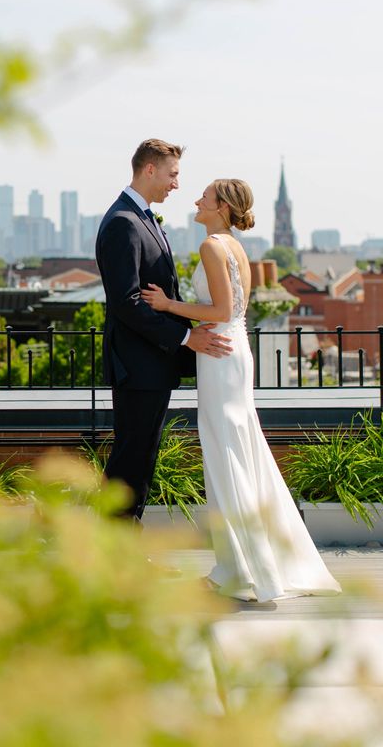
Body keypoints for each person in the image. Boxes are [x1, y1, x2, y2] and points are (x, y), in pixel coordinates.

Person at [141, 178, 341, 602]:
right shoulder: (234, 246)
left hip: (219, 353)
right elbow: (234, 312)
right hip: (232, 351)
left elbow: (222, 310)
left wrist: (167, 306)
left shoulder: (213, 246)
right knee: (236, 448)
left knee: (224, 450)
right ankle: (243, 563)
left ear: (223, 207)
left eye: (205, 197)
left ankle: (239, 569)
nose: (196, 200)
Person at [95, 139, 232, 522]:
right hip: (138, 366)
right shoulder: (124, 222)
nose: (176, 184)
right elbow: (126, 303)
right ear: (149, 169)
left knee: (139, 457)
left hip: (151, 365)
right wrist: (186, 338)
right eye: (172, 174)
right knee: (131, 459)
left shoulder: (140, 217)